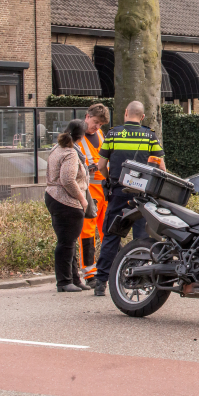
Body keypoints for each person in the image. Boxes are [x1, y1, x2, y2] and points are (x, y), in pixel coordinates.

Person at [93, 101, 165, 297]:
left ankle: (100, 282)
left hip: (118, 192)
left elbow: (100, 165)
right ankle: (135, 278)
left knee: (112, 235)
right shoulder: (150, 136)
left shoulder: (113, 134)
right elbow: (162, 168)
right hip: (142, 195)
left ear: (126, 113)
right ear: (142, 117)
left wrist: (108, 181)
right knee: (141, 238)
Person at [44, 119, 91, 292]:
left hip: (53, 197)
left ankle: (74, 279)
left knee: (68, 241)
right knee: (66, 243)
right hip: (66, 201)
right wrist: (82, 198)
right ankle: (64, 281)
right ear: (82, 136)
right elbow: (67, 180)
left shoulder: (56, 148)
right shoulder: (71, 153)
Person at [75, 103, 110, 287]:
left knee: (107, 231)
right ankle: (89, 273)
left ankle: (107, 268)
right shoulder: (77, 137)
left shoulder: (100, 134)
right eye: (95, 122)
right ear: (87, 116)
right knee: (87, 232)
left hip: (103, 189)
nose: (97, 127)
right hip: (88, 192)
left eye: (100, 124)